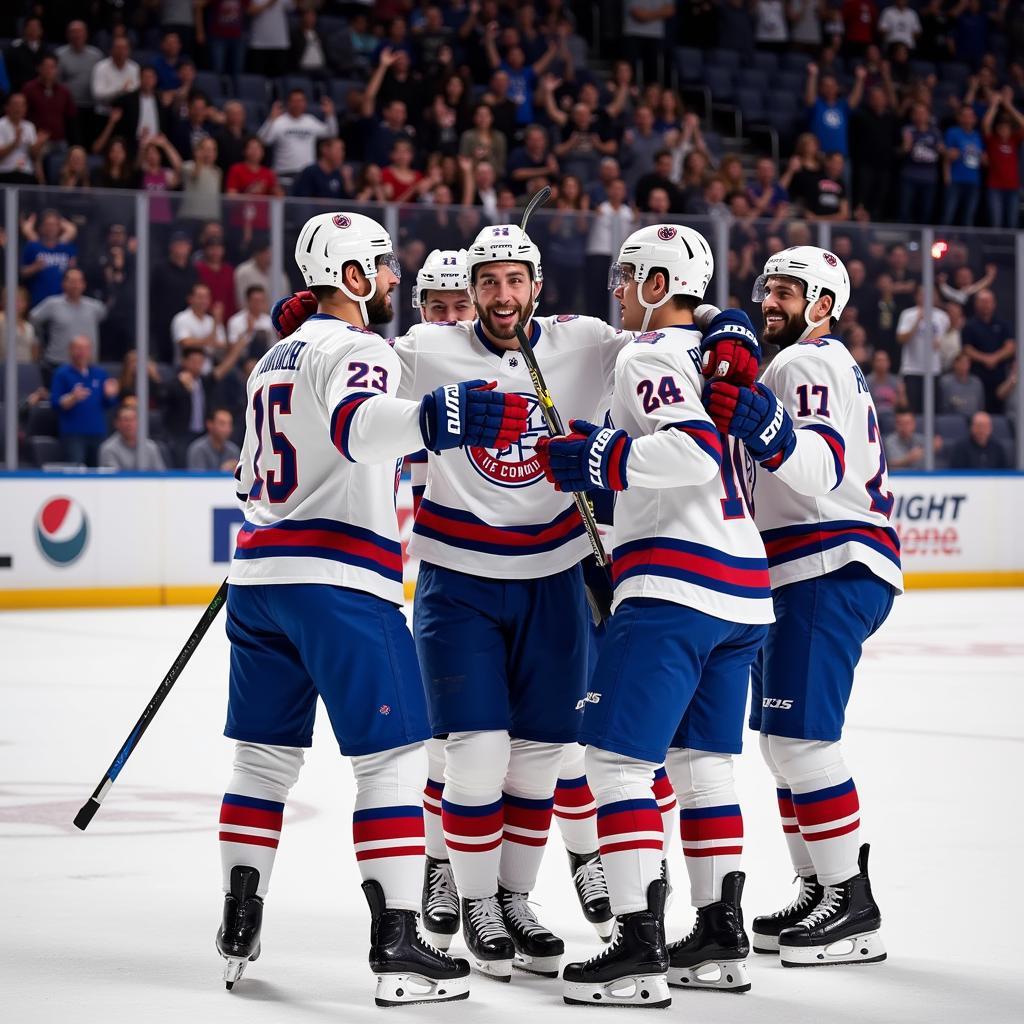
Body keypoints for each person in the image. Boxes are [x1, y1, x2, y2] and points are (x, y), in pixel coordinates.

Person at [216, 209, 528, 1004]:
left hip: (259, 583)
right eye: (384, 268)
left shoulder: (270, 358)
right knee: (390, 762)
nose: (395, 279)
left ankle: (239, 918)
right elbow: (361, 429)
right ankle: (398, 949)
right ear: (352, 277)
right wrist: (438, 417)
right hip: (342, 584)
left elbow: (250, 483)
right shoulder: (356, 346)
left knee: (261, 762)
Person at [384, 223, 630, 980]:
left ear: (536, 286)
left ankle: (518, 901)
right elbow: (345, 383)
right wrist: (306, 335)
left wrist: (726, 334)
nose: (499, 296)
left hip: (555, 577)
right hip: (459, 581)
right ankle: (478, 901)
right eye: (486, 283)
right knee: (476, 755)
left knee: (538, 760)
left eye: (512, 281)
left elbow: (666, 349)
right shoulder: (427, 351)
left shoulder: (584, 342)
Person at [538, 226, 772, 1005]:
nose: (619, 286)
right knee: (702, 768)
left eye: (631, 274)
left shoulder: (647, 356)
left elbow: (692, 453)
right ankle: (718, 936)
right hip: (742, 587)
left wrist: (600, 458)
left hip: (674, 585)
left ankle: (636, 947)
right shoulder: (708, 350)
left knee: (612, 765)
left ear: (662, 280)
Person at [702, 245, 902, 969]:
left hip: (827, 559)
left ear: (824, 305)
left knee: (800, 743)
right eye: (768, 288)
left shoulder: (805, 363)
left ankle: (852, 903)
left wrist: (761, 421)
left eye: (789, 291)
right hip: (804, 566)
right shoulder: (794, 362)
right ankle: (822, 885)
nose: (772, 301)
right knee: (781, 744)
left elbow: (820, 468)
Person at [50, 335, 120, 465]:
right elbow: (55, 403)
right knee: (76, 471)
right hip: (73, 434)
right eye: (78, 348)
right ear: (70, 350)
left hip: (98, 432)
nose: (82, 352)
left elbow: (108, 404)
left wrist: (110, 395)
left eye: (86, 348)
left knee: (98, 471)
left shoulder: (100, 373)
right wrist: (72, 398)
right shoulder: (62, 374)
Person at [29, 268, 107, 381]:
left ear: (84, 284)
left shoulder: (96, 307)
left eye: (78, 281)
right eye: (71, 281)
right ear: (64, 284)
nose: (75, 285)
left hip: (88, 365)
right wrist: (41, 340)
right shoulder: (52, 304)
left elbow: (105, 320)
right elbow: (33, 319)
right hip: (58, 363)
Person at [257, 90, 337, 186]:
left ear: (305, 103)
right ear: (288, 103)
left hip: (307, 175)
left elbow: (331, 134)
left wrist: (330, 115)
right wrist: (271, 119)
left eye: (301, 101)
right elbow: (263, 141)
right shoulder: (279, 122)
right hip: (284, 175)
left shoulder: (310, 121)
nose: (298, 104)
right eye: (294, 101)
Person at [895, 285, 950, 413]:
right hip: (912, 370)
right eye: (922, 294)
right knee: (913, 410)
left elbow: (948, 337)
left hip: (933, 370)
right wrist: (917, 321)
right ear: (917, 296)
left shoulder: (943, 317)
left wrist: (940, 342)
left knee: (933, 410)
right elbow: (901, 339)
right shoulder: (908, 314)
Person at [962, 288, 1017, 412]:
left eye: (988, 301)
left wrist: (995, 358)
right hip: (976, 374)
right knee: (979, 407)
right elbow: (967, 349)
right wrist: (985, 359)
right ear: (976, 304)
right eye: (982, 301)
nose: (986, 305)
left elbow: (1011, 346)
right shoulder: (969, 326)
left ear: (994, 303)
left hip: (1000, 374)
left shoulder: (1003, 324)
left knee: (1000, 407)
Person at [20, 209, 78, 308]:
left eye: (54, 225)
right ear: (41, 227)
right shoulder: (33, 247)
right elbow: (21, 272)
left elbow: (75, 271)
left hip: (63, 302)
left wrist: (72, 268)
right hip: (38, 301)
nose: (51, 228)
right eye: (48, 225)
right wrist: (34, 267)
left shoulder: (67, 248)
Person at [99, 403, 166, 470]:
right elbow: (112, 478)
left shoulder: (151, 447)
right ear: (117, 423)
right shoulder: (108, 448)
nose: (129, 424)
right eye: (125, 420)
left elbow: (161, 476)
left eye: (133, 419)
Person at [0, 92, 46, 184]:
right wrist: (15, 142)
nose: (19, 108)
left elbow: (34, 157)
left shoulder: (29, 126)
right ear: (7, 107)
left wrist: (38, 145)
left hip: (26, 172)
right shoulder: (1, 125)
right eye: (16, 105)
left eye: (22, 105)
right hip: (5, 173)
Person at [227, 284, 274, 362]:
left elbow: (273, 344)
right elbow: (232, 349)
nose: (259, 304)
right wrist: (249, 331)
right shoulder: (235, 321)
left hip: (266, 357)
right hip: (242, 359)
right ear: (248, 301)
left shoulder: (269, 320)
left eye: (262, 300)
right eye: (256, 301)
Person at [186, 406, 240, 471]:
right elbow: (198, 479)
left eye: (229, 424)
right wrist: (222, 472)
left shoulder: (234, 450)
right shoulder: (198, 450)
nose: (227, 428)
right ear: (210, 424)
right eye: (222, 424)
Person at [940, 351, 985, 418]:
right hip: (952, 420)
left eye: (967, 363)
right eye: (961, 362)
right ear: (955, 364)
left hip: (974, 420)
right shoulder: (946, 382)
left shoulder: (976, 383)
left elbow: (981, 406)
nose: (964, 366)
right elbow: (942, 406)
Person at [866, 348, 906, 417]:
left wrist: (901, 394)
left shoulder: (896, 381)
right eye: (879, 360)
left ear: (889, 363)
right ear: (873, 363)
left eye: (884, 360)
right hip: (874, 416)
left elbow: (904, 406)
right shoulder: (867, 381)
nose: (882, 363)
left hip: (893, 416)